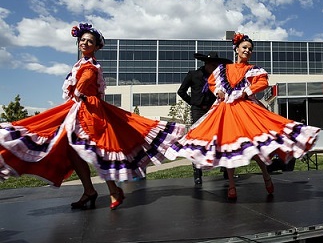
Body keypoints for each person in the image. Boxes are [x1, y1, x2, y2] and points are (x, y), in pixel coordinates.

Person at [0, 23, 186, 210]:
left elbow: (87, 78)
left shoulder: (90, 65)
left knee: (93, 150)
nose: (85, 43)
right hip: (77, 109)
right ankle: (90, 190)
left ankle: (112, 189)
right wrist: (78, 92)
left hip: (89, 111)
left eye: (90, 42)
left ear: (97, 47)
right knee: (73, 152)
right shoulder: (80, 64)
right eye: (82, 40)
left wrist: (80, 90)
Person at [165, 33, 320, 200]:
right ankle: (231, 185)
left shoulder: (253, 69)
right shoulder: (224, 69)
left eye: (250, 49)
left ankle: (266, 175)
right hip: (226, 111)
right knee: (228, 146)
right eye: (244, 47)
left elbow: (262, 82)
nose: (247, 50)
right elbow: (212, 82)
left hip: (246, 110)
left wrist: (246, 92)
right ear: (236, 49)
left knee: (254, 146)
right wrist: (218, 91)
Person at [177, 51, 232, 184]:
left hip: (214, 110)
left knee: (220, 138)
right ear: (206, 64)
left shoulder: (219, 78)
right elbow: (181, 91)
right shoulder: (193, 75)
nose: (215, 67)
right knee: (198, 141)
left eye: (216, 65)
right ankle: (197, 173)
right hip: (198, 111)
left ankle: (225, 169)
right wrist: (192, 102)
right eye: (213, 65)